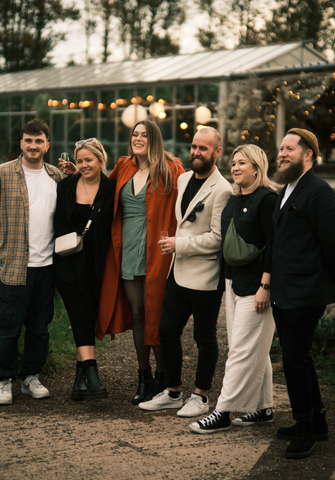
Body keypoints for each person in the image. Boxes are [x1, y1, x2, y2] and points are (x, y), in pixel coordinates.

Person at [138, 127, 233, 417]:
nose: (196, 152)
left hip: (205, 276)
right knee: (166, 330)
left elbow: (217, 238)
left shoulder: (224, 189)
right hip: (178, 273)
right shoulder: (182, 178)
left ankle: (201, 396)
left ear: (217, 152)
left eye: (204, 148)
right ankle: (172, 391)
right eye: (193, 146)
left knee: (204, 338)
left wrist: (179, 244)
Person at [189, 144, 277, 433]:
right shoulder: (233, 199)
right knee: (255, 348)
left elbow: (274, 246)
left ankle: (223, 411)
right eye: (234, 163)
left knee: (239, 349)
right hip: (233, 283)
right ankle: (263, 407)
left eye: (243, 163)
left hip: (257, 286)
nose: (236, 167)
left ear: (257, 167)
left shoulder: (267, 199)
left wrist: (266, 284)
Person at [96, 120, 185, 404]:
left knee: (156, 315)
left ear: (154, 139)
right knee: (137, 314)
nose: (138, 138)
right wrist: (77, 174)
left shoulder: (171, 169)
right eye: (135, 134)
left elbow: (190, 201)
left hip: (158, 251)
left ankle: (165, 378)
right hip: (128, 248)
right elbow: (102, 189)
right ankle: (144, 376)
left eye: (144, 135)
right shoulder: (124, 166)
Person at [0, 118, 63, 405]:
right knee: (9, 325)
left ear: (47, 145)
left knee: (39, 326)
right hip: (13, 264)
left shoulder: (55, 177)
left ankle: (31, 377)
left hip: (47, 265)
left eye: (39, 141)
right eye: (28, 140)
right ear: (21, 143)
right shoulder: (2, 174)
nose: (33, 145)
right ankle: (4, 380)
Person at [271, 128, 335, 459]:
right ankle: (318, 421)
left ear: (308, 153)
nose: (282, 153)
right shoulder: (287, 188)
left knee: (294, 359)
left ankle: (305, 429)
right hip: (285, 290)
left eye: (289, 149)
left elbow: (332, 244)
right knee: (301, 357)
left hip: (306, 291)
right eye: (281, 148)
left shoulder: (320, 192)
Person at [54, 138, 115, 400]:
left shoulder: (111, 188)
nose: (83, 165)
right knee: (79, 312)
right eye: (79, 161)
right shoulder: (66, 186)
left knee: (88, 314)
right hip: (68, 263)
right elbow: (59, 222)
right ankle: (92, 372)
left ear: (100, 160)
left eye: (89, 160)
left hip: (99, 264)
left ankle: (79, 380)